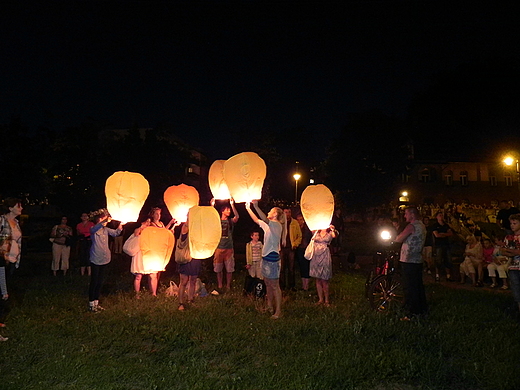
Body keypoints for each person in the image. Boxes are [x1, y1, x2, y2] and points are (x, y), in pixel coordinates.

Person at [245, 200, 286, 319]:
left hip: (273, 259)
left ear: (275, 215)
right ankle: (269, 307)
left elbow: (264, 218)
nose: (268, 212)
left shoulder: (276, 225)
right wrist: (248, 208)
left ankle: (278, 311)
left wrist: (256, 206)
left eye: (271, 211)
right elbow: (257, 220)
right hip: (266, 258)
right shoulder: (269, 226)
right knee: (268, 283)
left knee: (275, 285)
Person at [129, 207, 176, 297]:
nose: (158, 216)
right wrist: (142, 227)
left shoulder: (160, 224)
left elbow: (163, 232)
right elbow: (138, 233)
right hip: (146, 251)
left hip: (155, 251)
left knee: (155, 273)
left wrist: (171, 225)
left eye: (159, 214)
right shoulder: (149, 226)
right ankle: (140, 294)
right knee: (141, 274)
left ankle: (154, 292)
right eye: (156, 214)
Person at [394, 206, 428, 320]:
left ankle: (412, 313)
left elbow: (399, 238)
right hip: (417, 259)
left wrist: (394, 238)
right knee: (418, 285)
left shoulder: (411, 226)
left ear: (412, 214)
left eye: (406, 214)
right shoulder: (422, 226)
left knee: (410, 286)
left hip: (408, 260)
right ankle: (422, 308)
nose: (405, 216)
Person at [88, 210, 122, 312]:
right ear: (99, 219)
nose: (106, 221)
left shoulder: (105, 230)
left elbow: (116, 233)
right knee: (94, 281)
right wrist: (106, 218)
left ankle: (96, 303)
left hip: (105, 258)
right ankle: (91, 304)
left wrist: (120, 225)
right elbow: (96, 227)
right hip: (95, 258)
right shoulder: (93, 229)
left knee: (100, 281)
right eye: (103, 218)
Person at [212, 199, 239, 290]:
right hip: (219, 248)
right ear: (222, 211)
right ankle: (219, 284)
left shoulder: (230, 221)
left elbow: (237, 216)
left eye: (229, 210)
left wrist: (232, 205)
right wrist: (212, 205)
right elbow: (211, 217)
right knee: (218, 268)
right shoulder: (217, 221)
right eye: (227, 210)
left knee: (229, 269)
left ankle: (228, 285)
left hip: (229, 248)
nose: (229, 211)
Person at [308, 225, 337, 306]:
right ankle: (320, 299)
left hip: (324, 255)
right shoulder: (316, 231)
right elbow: (311, 235)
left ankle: (327, 300)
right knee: (318, 279)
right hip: (316, 255)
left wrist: (332, 229)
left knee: (325, 279)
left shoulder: (330, 233)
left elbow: (334, 236)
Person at [177, 221, 202, 311]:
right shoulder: (185, 226)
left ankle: (190, 299)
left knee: (193, 280)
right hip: (186, 256)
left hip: (195, 256)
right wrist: (188, 220)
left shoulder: (198, 228)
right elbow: (183, 236)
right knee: (184, 281)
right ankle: (181, 303)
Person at [500, 214, 520, 313]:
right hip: (513, 267)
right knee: (516, 287)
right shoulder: (508, 237)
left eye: (515, 223)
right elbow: (503, 251)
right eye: (511, 223)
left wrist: (513, 252)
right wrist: (513, 252)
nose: (512, 225)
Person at [280, 208, 302, 290]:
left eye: (289, 212)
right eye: (286, 212)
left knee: (291, 268)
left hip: (291, 248)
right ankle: (282, 286)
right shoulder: (280, 222)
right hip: (281, 248)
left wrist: (295, 244)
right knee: (281, 268)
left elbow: (299, 235)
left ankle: (291, 286)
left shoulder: (294, 223)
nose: (287, 214)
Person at [0, 198, 23, 274]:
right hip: (3, 259)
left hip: (13, 259)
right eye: (18, 207)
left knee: (8, 283)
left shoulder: (16, 223)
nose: (21, 208)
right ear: (10, 208)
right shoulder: (2, 220)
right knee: (3, 283)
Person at [432, 211, 454, 282]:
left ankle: (448, 275)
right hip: (439, 245)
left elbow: (450, 233)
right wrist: (444, 234)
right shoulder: (435, 225)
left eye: (442, 215)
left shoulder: (446, 225)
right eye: (440, 215)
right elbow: (436, 235)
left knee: (448, 260)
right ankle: (437, 275)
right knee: (438, 260)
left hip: (446, 244)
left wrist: (443, 234)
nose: (441, 216)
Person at [296, 214, 312, 291]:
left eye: (301, 219)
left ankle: (307, 285)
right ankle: (303, 284)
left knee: (307, 266)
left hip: (306, 249)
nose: (300, 221)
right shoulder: (296, 228)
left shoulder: (307, 229)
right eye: (298, 220)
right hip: (299, 249)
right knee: (301, 266)